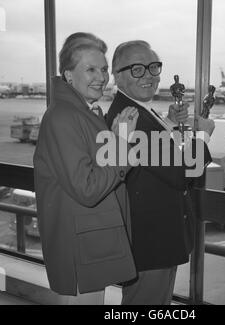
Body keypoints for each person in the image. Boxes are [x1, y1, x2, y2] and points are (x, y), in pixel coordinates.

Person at [33, 33, 139, 305]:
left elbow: (96, 164)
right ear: (68, 75)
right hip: (80, 248)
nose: (101, 77)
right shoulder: (62, 117)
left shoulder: (86, 112)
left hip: (91, 240)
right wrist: (123, 144)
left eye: (103, 69)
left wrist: (114, 138)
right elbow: (87, 188)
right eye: (90, 69)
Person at [106, 40, 215, 305]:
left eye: (153, 67)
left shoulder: (134, 112)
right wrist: (204, 134)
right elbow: (182, 173)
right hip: (152, 239)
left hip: (152, 234)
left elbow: (151, 155)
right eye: (137, 69)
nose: (150, 76)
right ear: (117, 76)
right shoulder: (130, 117)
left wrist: (168, 122)